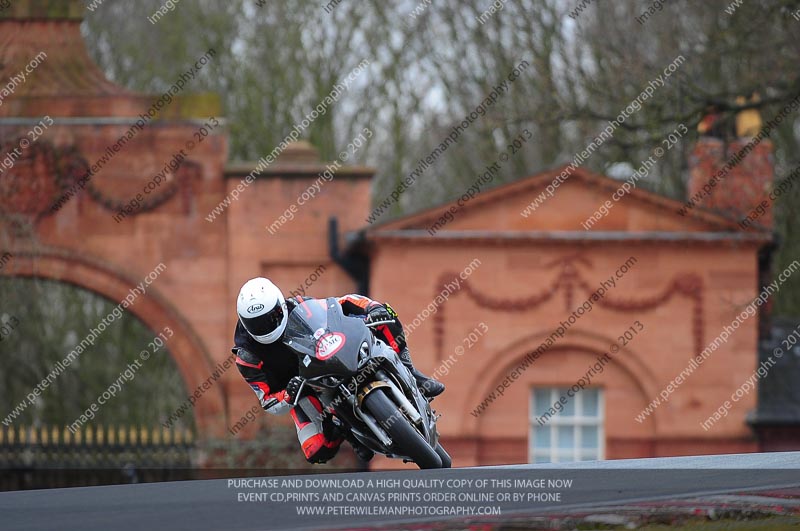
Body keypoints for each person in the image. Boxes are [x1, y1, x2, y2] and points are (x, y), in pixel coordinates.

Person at [232, 277, 445, 464]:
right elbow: (267, 399)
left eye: (272, 317)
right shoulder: (247, 356)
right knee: (316, 449)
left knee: (387, 317)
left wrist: (372, 309)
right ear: (244, 323)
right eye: (257, 324)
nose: (267, 326)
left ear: (281, 305)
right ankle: (346, 432)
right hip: (301, 387)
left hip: (332, 357)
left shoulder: (299, 306)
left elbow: (339, 305)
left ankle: (412, 372)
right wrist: (288, 394)